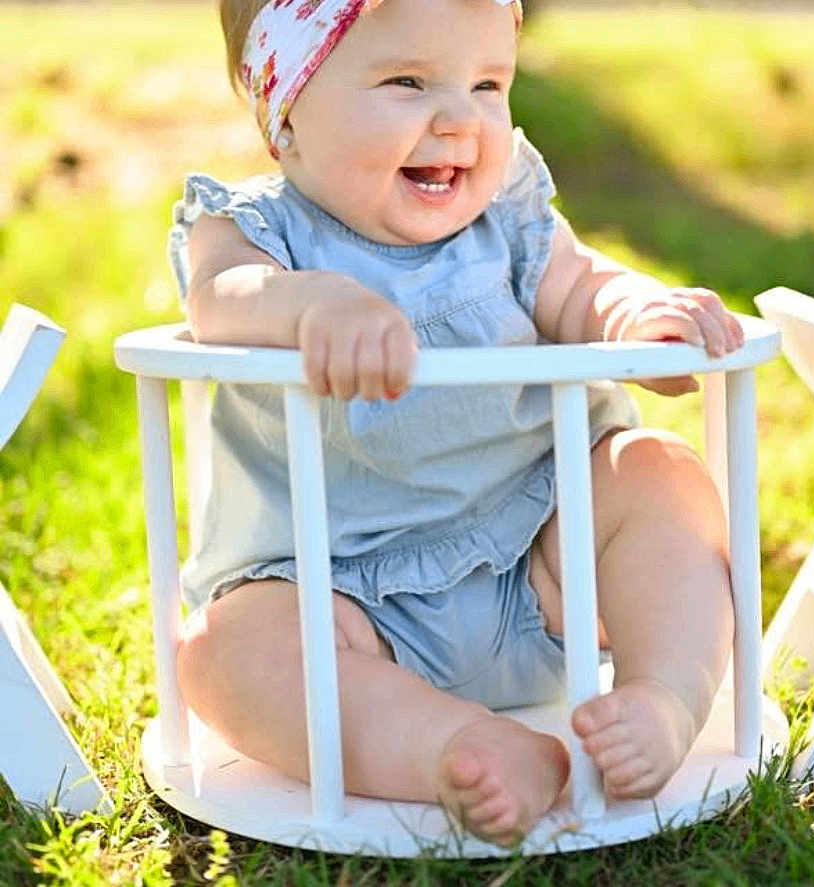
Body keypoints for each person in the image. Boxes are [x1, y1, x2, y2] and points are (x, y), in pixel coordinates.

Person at [170, 0, 742, 846]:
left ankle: (661, 695)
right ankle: (454, 745)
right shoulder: (255, 230)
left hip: (542, 568)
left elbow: (581, 284)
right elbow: (217, 298)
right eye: (406, 82)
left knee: (657, 473)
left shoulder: (506, 218)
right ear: (284, 116)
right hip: (342, 600)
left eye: (487, 83)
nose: (458, 118)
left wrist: (635, 320)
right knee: (221, 652)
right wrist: (309, 305)